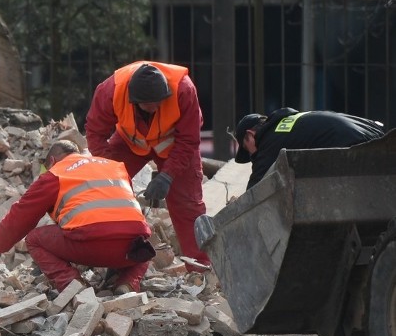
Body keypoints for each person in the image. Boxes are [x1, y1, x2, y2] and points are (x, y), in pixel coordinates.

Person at [0, 140, 156, 294]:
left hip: (91, 245)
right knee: (144, 245)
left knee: (34, 239)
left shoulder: (56, 173)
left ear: (52, 160)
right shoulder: (114, 166)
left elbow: (22, 215)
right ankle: (128, 282)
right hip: (130, 250)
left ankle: (73, 285)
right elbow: (120, 210)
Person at [84, 61, 211, 270]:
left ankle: (201, 269)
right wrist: (112, 173)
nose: (157, 108)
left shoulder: (184, 89)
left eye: (160, 102)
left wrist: (167, 175)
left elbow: (189, 140)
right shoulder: (110, 91)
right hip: (129, 142)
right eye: (150, 105)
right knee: (104, 191)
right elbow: (95, 134)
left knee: (188, 205)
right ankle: (104, 257)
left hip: (175, 145)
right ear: (135, 101)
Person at [234, 107, 386, 190]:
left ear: (250, 134)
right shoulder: (286, 124)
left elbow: (253, 193)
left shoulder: (269, 140)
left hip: (354, 144)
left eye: (248, 150)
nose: (252, 156)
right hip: (374, 133)